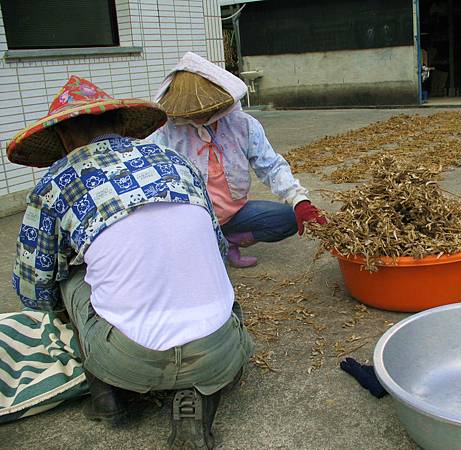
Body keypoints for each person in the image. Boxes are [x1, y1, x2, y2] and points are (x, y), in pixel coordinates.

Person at [8, 76, 253, 449]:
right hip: (220, 349)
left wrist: (67, 304)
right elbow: (218, 251)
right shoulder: (176, 162)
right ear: (121, 124)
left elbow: (34, 287)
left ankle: (105, 392)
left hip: (128, 359)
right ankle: (196, 394)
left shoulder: (54, 183)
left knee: (68, 278)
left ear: (64, 139)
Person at [150, 52, 326, 268]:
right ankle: (208, 244)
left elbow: (270, 165)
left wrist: (299, 199)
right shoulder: (166, 132)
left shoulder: (241, 125)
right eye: (190, 112)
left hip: (235, 213)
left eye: (202, 109)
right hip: (194, 217)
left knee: (288, 219)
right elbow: (152, 177)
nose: (196, 116)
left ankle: (227, 241)